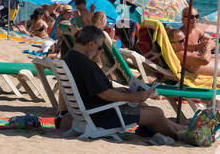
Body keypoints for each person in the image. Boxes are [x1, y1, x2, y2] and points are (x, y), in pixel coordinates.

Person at [56, 25, 195, 142]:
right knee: (156, 114)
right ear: (91, 44)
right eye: (99, 47)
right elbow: (105, 94)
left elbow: (97, 91)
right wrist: (133, 97)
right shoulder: (86, 64)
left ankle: (183, 129)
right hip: (100, 116)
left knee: (147, 108)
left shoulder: (70, 58)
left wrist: (127, 94)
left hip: (90, 112)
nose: (102, 51)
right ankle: (183, 136)